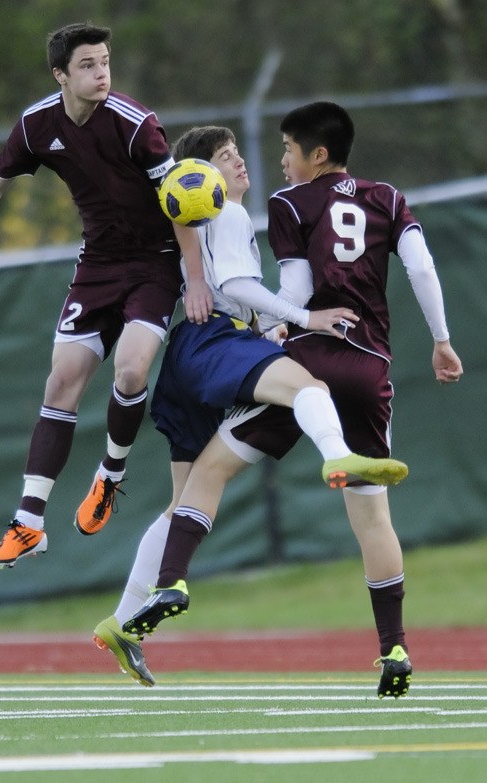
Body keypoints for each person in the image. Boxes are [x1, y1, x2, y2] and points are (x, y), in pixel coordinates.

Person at [119, 104, 463, 699]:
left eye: (286, 149)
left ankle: (163, 588)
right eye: (237, 155)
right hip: (367, 362)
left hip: (303, 351)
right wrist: (441, 340)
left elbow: (297, 287)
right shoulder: (387, 197)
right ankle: (395, 646)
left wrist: (292, 323)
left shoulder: (286, 205)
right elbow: (422, 268)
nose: (277, 160)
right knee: (373, 516)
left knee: (206, 475)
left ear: (316, 155)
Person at [0, 22, 214, 567]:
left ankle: (110, 474)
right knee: (61, 383)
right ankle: (29, 522)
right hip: (98, 265)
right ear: (60, 75)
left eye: (105, 62)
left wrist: (194, 278)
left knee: (129, 372)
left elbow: (181, 203)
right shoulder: (37, 125)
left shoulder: (136, 125)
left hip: (154, 265)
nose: (101, 72)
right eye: (87, 65)